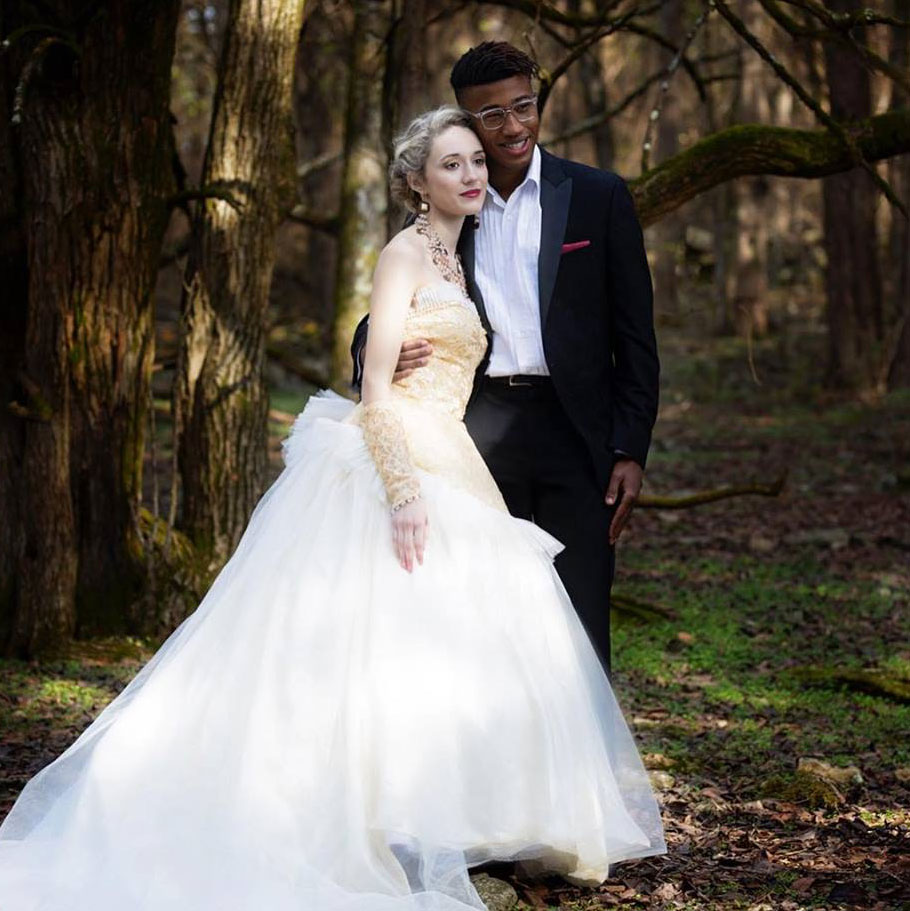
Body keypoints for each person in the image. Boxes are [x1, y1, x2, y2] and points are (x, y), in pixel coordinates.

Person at [0, 107, 665, 911]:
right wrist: (404, 492)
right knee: (366, 648)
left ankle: (454, 820)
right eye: (451, 164)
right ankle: (350, 822)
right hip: (399, 459)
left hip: (456, 453)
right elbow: (376, 381)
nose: (471, 175)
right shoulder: (404, 253)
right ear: (416, 180)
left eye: (475, 161)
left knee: (450, 648)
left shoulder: (459, 253)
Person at [352, 42, 660, 677]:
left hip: (579, 434)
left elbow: (636, 333)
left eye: (524, 105)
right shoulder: (454, 202)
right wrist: (370, 351)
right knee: (485, 613)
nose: (514, 126)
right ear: (467, 121)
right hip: (479, 430)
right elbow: (399, 294)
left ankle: (582, 741)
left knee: (580, 607)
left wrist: (631, 447)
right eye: (491, 115)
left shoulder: (597, 196)